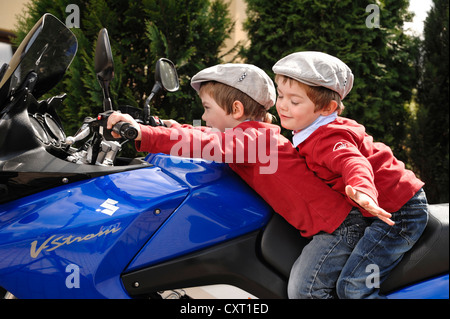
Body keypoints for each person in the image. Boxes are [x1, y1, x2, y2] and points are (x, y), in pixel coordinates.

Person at [107, 63, 354, 239]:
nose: (203, 117)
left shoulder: (256, 141)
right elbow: (207, 135)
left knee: (306, 289)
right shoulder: (251, 136)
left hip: (335, 228)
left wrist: (141, 133)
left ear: (236, 110)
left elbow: (209, 145)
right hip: (322, 225)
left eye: (206, 108)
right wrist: (167, 126)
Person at [272, 51, 429, 299]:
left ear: (327, 108)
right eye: (281, 95)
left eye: (294, 101)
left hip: (399, 212)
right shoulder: (309, 131)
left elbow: (353, 162)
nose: (282, 105)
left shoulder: (328, 136)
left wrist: (363, 191)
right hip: (384, 207)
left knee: (353, 287)